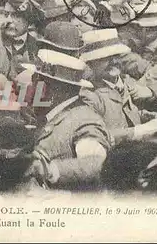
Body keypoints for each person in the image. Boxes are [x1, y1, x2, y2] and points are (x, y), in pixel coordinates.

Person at [22, 49, 112, 190]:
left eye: (35, 81)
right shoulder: (50, 116)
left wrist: (50, 170)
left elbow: (97, 163)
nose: (30, 87)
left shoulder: (84, 119)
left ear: (50, 89)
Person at [79, 28, 157, 144]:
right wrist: (137, 131)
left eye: (116, 55)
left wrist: (148, 115)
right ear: (91, 64)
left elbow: (129, 113)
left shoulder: (126, 81)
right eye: (105, 58)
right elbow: (97, 136)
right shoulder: (89, 95)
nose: (113, 61)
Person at [0, 0, 43, 80]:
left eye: (16, 15)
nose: (8, 20)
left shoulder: (38, 47)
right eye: (6, 14)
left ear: (28, 19)